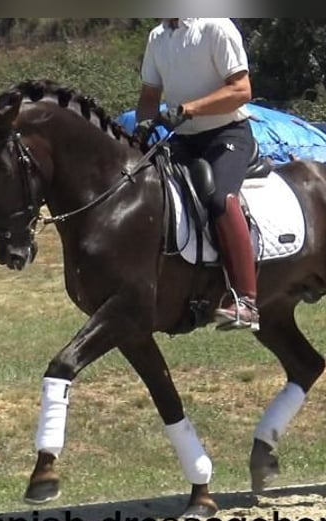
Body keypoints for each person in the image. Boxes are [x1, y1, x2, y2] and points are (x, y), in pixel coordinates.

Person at [135, 18, 259, 331]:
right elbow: (150, 96)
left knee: (220, 199)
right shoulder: (158, 36)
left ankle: (245, 299)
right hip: (183, 138)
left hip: (227, 134)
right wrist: (142, 126)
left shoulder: (216, 26)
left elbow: (241, 90)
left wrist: (189, 109)